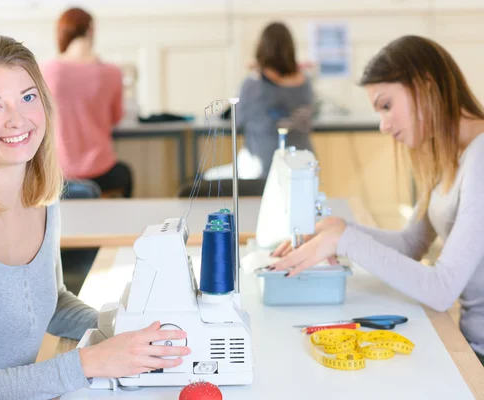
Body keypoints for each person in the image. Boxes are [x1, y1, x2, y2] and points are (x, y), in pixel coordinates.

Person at [0, 34, 189, 399]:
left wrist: (120, 325)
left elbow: (51, 301)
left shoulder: (41, 202)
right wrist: (90, 362)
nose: (17, 119)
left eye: (27, 98)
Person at [268, 35, 484, 366]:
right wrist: (340, 229)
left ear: (425, 86)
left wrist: (345, 240)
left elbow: (441, 289)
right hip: (469, 341)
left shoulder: (481, 157)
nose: (383, 125)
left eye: (386, 105)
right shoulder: (446, 155)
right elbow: (412, 243)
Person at [204, 21, 314, 181]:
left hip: (262, 168)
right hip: (303, 167)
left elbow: (238, 121)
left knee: (209, 177)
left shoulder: (253, 84)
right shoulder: (306, 83)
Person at [41, 7, 133, 198]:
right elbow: (116, 118)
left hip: (59, 173)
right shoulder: (112, 72)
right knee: (126, 174)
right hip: (101, 171)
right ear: (91, 30)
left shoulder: (45, 71)